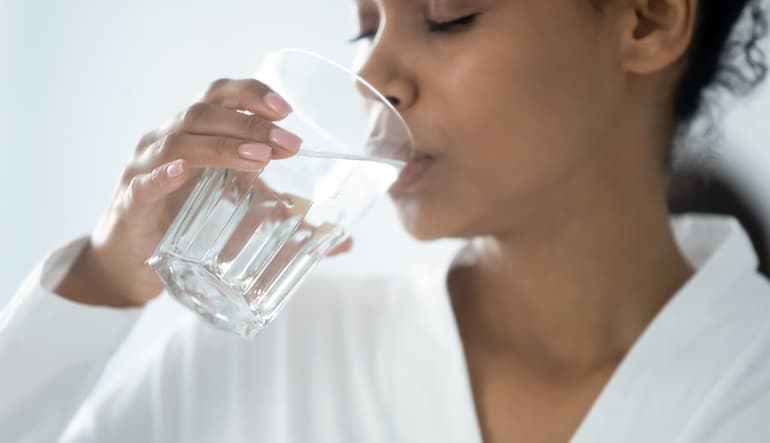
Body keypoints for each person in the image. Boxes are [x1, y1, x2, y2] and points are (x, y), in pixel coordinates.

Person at [2, 0, 769, 441]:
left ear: (647, 19)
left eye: (447, 15)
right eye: (366, 27)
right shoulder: (266, 363)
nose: (373, 80)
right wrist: (102, 281)